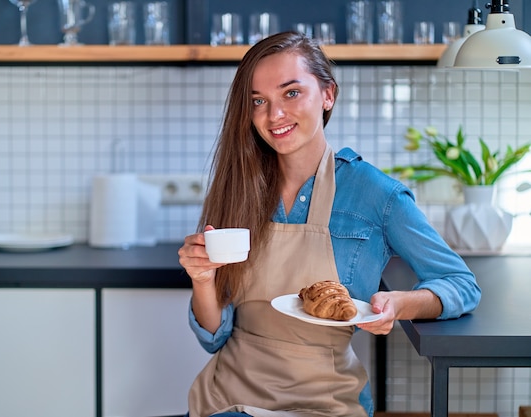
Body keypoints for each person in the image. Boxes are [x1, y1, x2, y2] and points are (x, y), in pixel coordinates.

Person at [178, 31, 481, 417]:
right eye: (259, 101)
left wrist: (399, 304)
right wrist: (202, 280)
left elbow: (461, 284)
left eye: (291, 93)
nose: (275, 115)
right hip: (230, 398)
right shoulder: (236, 190)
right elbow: (214, 337)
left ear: (327, 95)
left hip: (326, 401)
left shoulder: (375, 193)